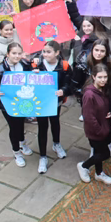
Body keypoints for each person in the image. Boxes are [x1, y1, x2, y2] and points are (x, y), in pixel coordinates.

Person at [0, 43, 34, 166]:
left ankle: (22, 143)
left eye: (19, 53)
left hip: (22, 101)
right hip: (7, 104)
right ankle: (16, 152)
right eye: (14, 53)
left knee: (20, 123)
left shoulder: (25, 65)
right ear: (8, 54)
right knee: (14, 127)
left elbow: (32, 78)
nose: (17, 56)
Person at [31, 40, 71, 174]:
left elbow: (68, 83)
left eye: (49, 52)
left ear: (57, 53)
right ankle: (42, 156)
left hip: (55, 101)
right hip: (41, 102)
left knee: (55, 122)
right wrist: (33, 73)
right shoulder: (36, 64)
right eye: (44, 52)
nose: (45, 54)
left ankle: (56, 144)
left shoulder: (64, 66)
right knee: (42, 127)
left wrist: (63, 91)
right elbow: (26, 79)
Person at [77, 64, 111, 185]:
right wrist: (100, 131)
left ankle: (99, 173)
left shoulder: (103, 90)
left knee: (99, 153)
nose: (103, 80)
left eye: (105, 77)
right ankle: (84, 166)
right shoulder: (89, 95)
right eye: (100, 77)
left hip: (104, 127)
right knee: (104, 154)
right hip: (96, 132)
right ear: (94, 77)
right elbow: (89, 117)